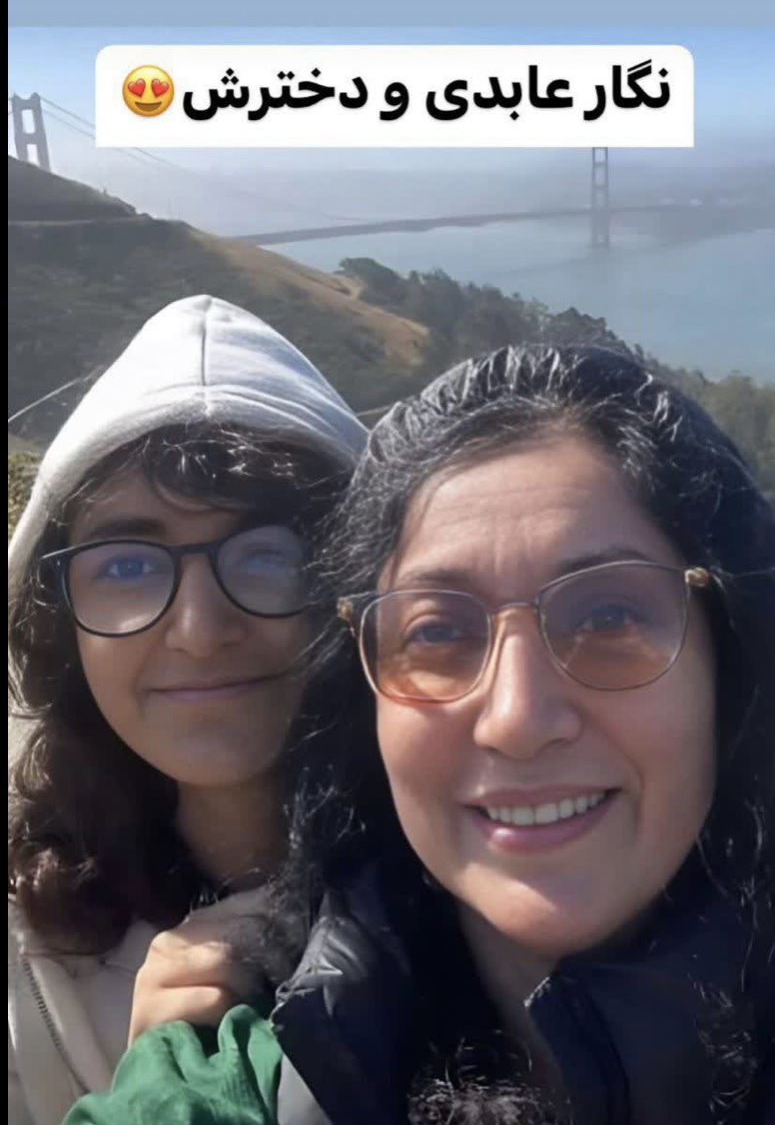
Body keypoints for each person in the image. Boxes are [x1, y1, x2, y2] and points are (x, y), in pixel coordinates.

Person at [61, 343, 774, 1125]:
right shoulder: (224, 1092)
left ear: (731, 662)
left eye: (607, 616)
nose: (515, 718)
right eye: (436, 632)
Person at [7, 294, 366, 1125]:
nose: (200, 631)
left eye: (269, 555)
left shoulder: (498, 898)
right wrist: (146, 1092)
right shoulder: (27, 963)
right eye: (127, 566)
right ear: (63, 625)